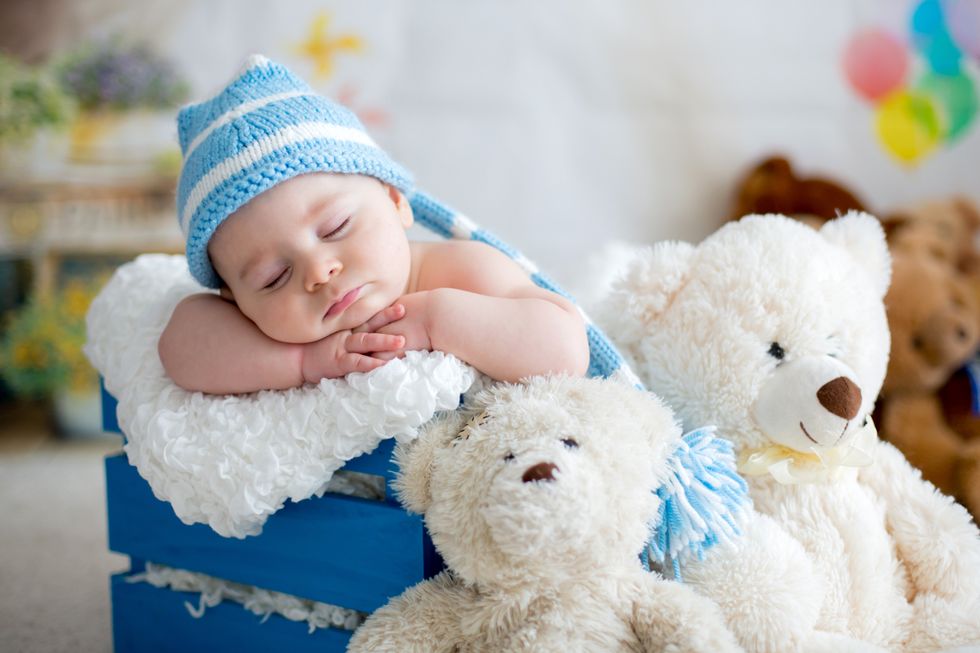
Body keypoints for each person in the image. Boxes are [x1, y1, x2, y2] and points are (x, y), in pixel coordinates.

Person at [158, 55, 590, 394]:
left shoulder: (458, 271)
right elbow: (180, 348)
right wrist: (305, 363)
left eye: (336, 228)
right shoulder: (269, 332)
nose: (318, 271)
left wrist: (437, 320)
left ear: (395, 201)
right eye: (274, 277)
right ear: (234, 298)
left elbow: (566, 350)